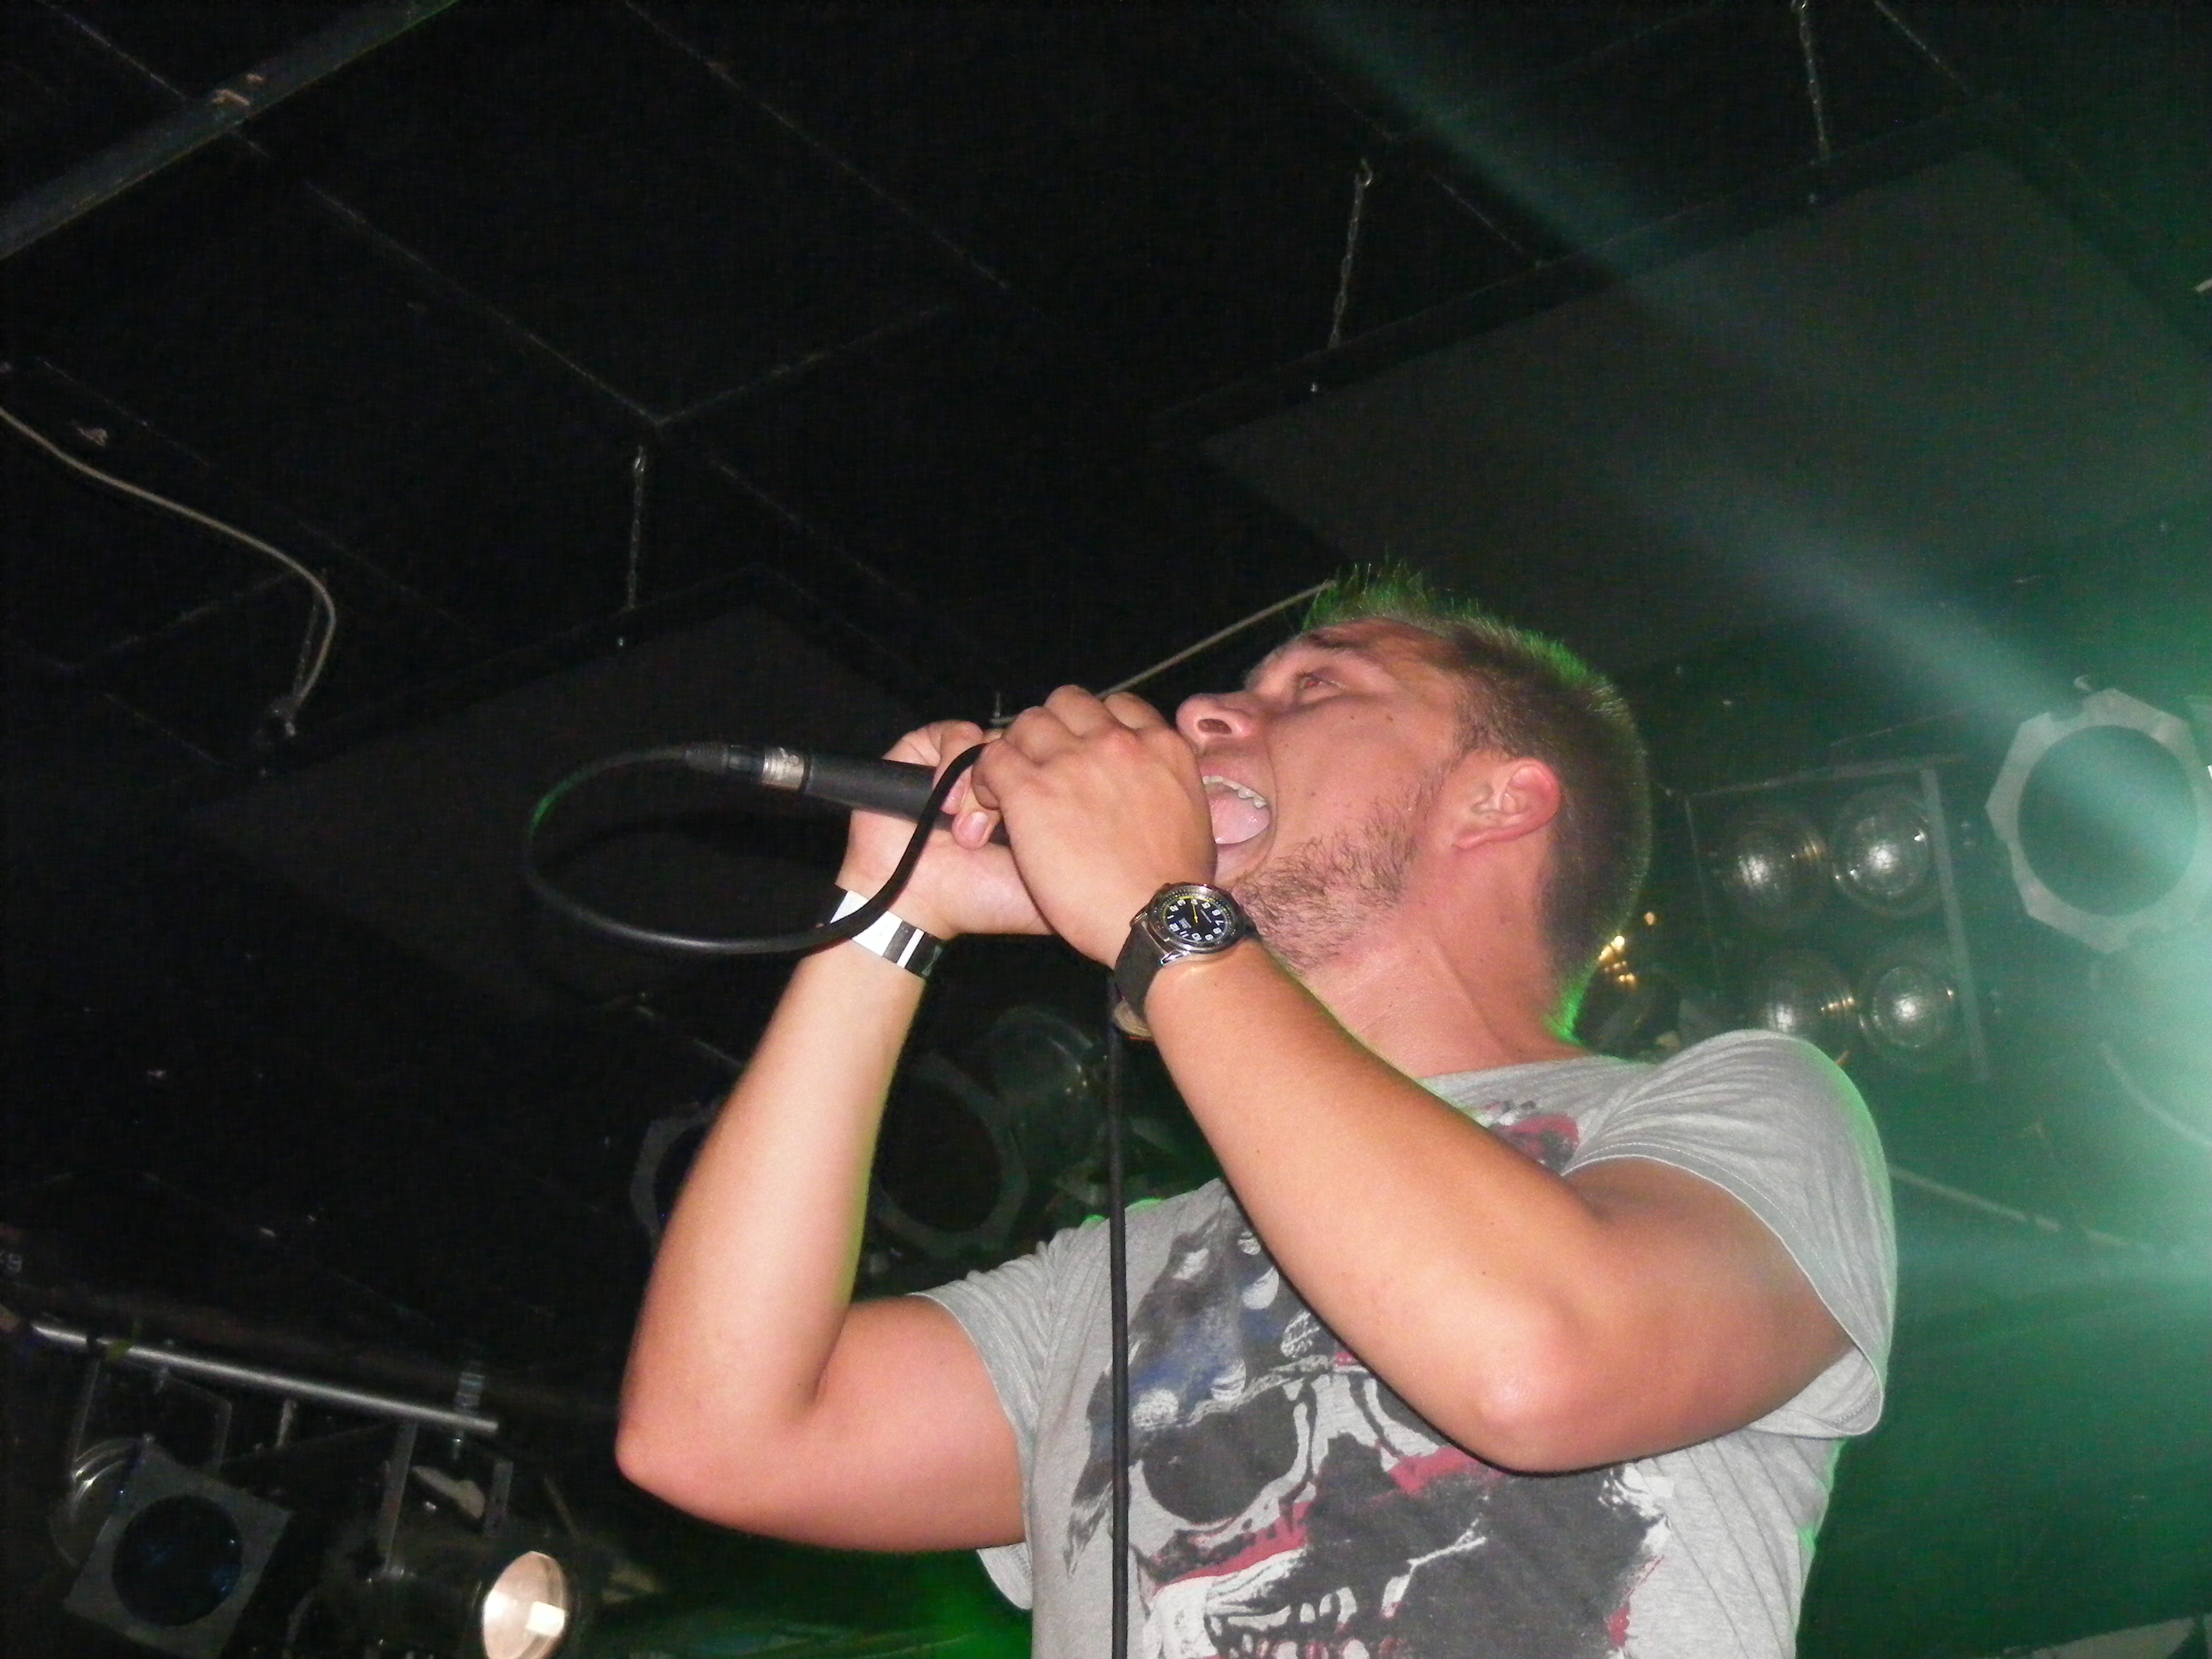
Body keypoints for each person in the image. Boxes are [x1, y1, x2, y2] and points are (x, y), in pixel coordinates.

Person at [617, 569, 1896, 1658]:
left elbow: (1534, 1365)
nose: (1208, 713)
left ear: (1500, 799)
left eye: (1316, 687)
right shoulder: (1116, 1275)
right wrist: (889, 916)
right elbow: (715, 1434)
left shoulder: (1737, 1109)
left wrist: (1161, 916)